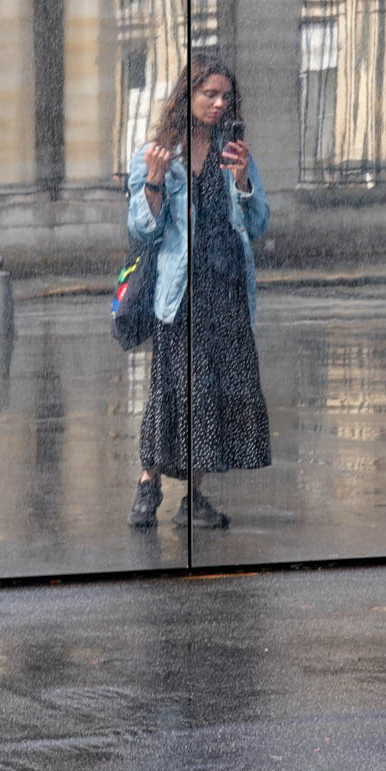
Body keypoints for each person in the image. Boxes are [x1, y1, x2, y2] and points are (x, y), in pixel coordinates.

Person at [125, 56, 273, 529]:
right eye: (209, 94)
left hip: (226, 292)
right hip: (182, 295)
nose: (218, 103)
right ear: (187, 96)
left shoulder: (234, 153)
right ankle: (148, 486)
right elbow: (142, 229)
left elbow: (258, 223)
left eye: (225, 95)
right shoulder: (160, 153)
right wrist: (153, 180)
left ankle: (194, 497)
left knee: (213, 399)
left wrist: (243, 182)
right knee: (172, 393)